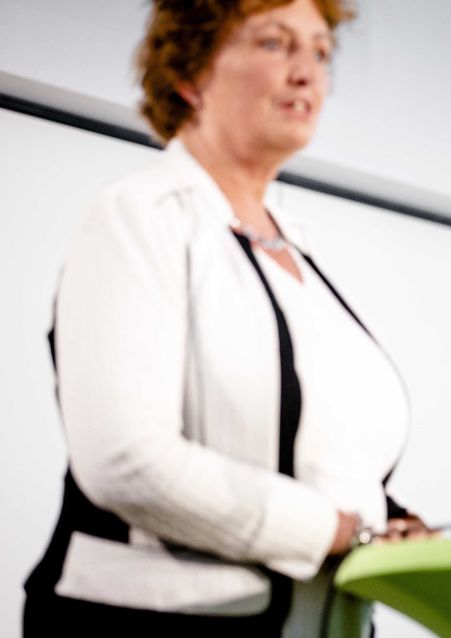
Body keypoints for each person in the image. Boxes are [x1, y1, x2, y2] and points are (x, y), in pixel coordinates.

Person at [23, 0, 426, 634]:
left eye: (320, 53)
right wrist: (339, 530)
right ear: (191, 73)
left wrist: (392, 521)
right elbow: (126, 461)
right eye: (275, 44)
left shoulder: (298, 249)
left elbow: (309, 453)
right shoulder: (140, 215)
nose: (306, 73)